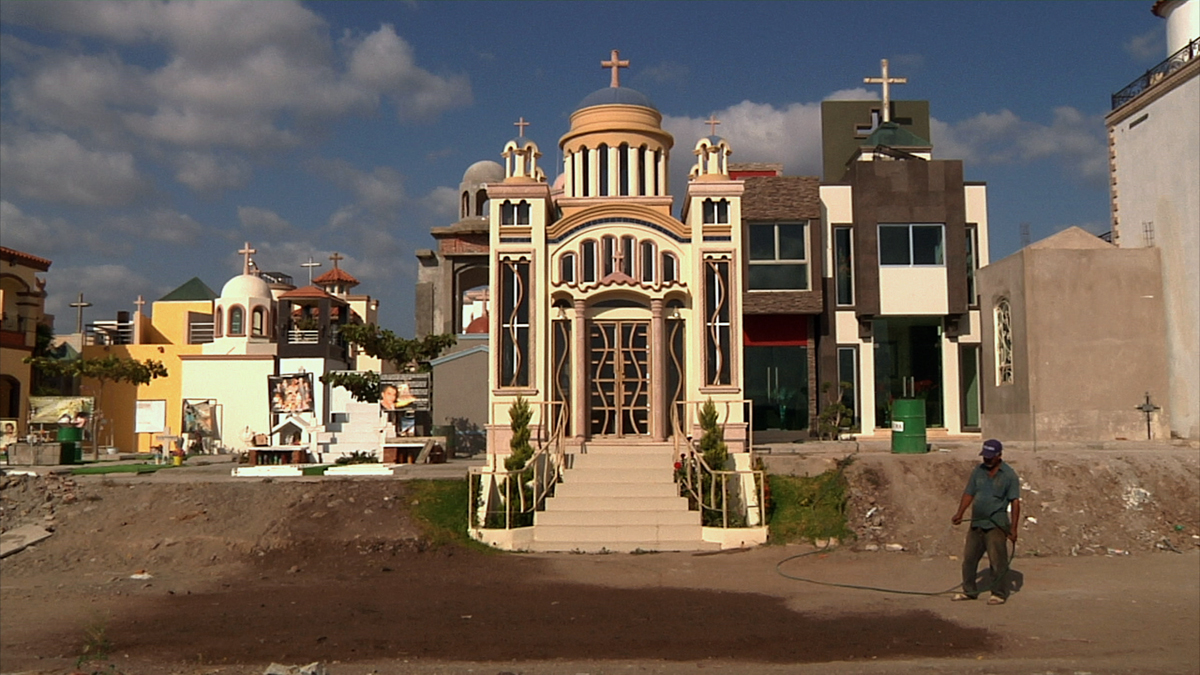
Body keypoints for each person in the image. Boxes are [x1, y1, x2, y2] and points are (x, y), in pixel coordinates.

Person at [951, 438, 1021, 605]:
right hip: (977, 523)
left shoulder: (1009, 476)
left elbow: (1015, 502)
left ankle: (999, 593)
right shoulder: (978, 471)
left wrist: (1014, 528)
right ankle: (969, 591)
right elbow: (969, 493)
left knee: (997, 560)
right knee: (969, 559)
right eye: (985, 456)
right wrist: (960, 513)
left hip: (996, 524)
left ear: (999, 456)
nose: (986, 460)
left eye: (990, 457)